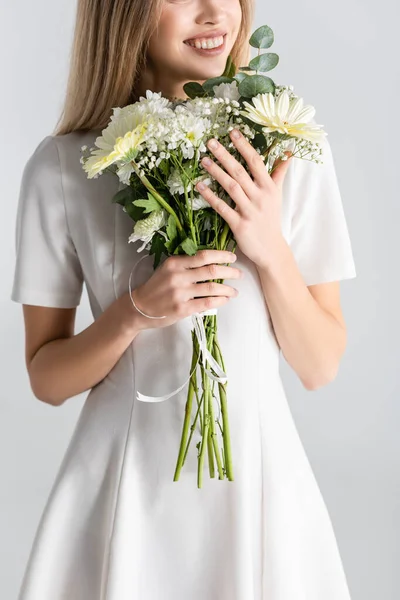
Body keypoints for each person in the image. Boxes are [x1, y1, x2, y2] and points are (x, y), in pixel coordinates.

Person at [11, 0, 357, 599]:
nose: (214, 12)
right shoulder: (63, 168)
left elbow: (320, 365)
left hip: (257, 481)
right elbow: (47, 378)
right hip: (124, 485)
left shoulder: (287, 149)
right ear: (124, 15)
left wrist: (269, 247)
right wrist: (134, 313)